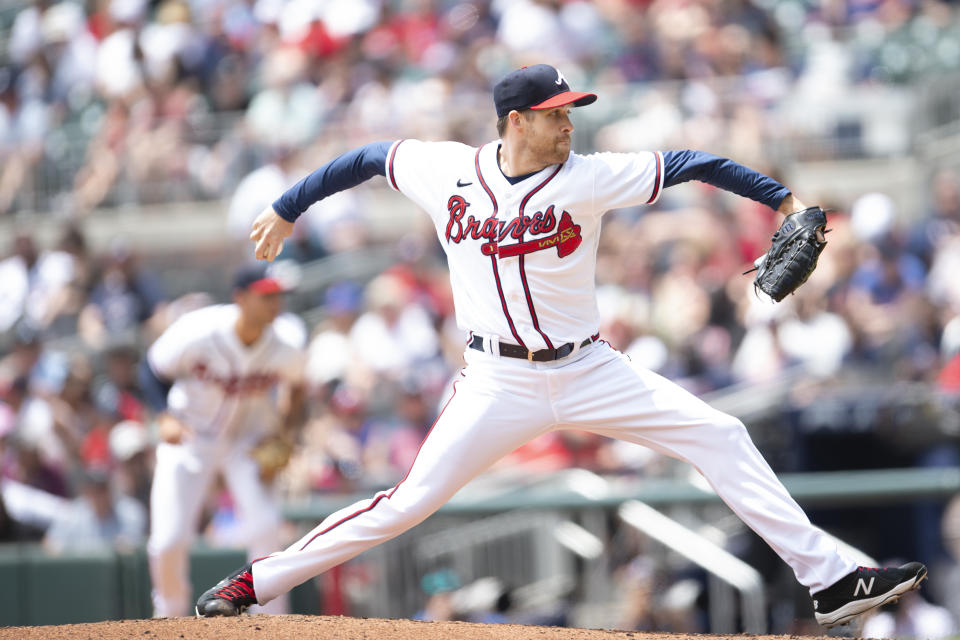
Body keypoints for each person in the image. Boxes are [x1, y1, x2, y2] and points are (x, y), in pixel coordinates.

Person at [195, 63, 926, 628]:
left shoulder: (591, 177)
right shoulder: (446, 168)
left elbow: (695, 163)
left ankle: (830, 582)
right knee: (406, 502)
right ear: (515, 121)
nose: (569, 123)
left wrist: (786, 203)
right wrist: (287, 207)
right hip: (494, 383)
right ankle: (255, 583)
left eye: (571, 111)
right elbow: (361, 159)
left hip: (589, 368)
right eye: (555, 114)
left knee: (721, 434)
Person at [140, 263, 306, 617]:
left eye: (279, 296)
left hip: (247, 442)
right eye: (266, 296)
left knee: (265, 529)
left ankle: (271, 621)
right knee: (168, 539)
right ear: (240, 298)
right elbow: (151, 371)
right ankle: (168, 616)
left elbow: (299, 384)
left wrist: (285, 434)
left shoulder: (286, 341)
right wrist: (163, 416)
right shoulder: (198, 330)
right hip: (189, 436)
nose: (275, 303)